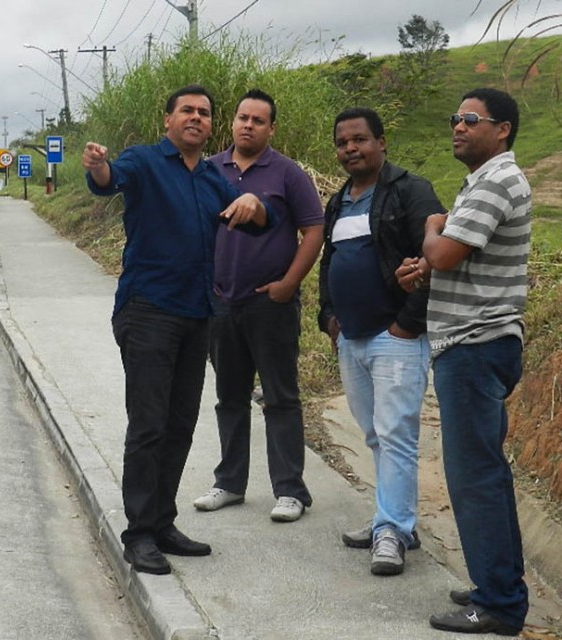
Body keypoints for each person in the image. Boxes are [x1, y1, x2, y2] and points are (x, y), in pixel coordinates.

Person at [81, 84, 277, 576]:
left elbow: (251, 215)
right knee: (148, 425)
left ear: (212, 125)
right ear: (167, 119)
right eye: (186, 110)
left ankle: (162, 522)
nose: (196, 117)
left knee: (181, 422)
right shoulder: (144, 161)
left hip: (197, 314)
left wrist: (256, 204)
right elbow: (110, 179)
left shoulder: (212, 177)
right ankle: (139, 533)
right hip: (148, 310)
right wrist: (98, 166)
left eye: (205, 113)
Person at [397, 88, 531, 636]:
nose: (457, 125)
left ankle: (498, 603)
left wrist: (432, 229)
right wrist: (425, 266)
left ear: (502, 129)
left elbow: (446, 249)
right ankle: (494, 583)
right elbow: (452, 261)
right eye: (455, 117)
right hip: (473, 344)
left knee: (475, 477)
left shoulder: (497, 179)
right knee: (482, 474)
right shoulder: (483, 181)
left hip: (475, 346)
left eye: (470, 119)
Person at [318, 107, 444, 575]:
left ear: (381, 142)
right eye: (342, 142)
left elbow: (433, 260)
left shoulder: (410, 191)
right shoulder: (339, 202)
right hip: (351, 340)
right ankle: (390, 521)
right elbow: (329, 264)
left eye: (360, 140)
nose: (350, 149)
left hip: (395, 338)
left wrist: (408, 324)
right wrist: (327, 316)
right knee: (374, 434)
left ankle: (392, 528)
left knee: (395, 435)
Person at [192, 89, 323, 523]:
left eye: (258, 120)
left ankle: (290, 490)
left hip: (271, 304)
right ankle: (229, 483)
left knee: (280, 397)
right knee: (229, 397)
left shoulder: (287, 173)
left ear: (271, 128)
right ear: (232, 123)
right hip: (221, 304)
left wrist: (289, 283)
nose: (248, 125)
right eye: (242, 118)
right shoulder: (210, 170)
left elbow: (314, 230)